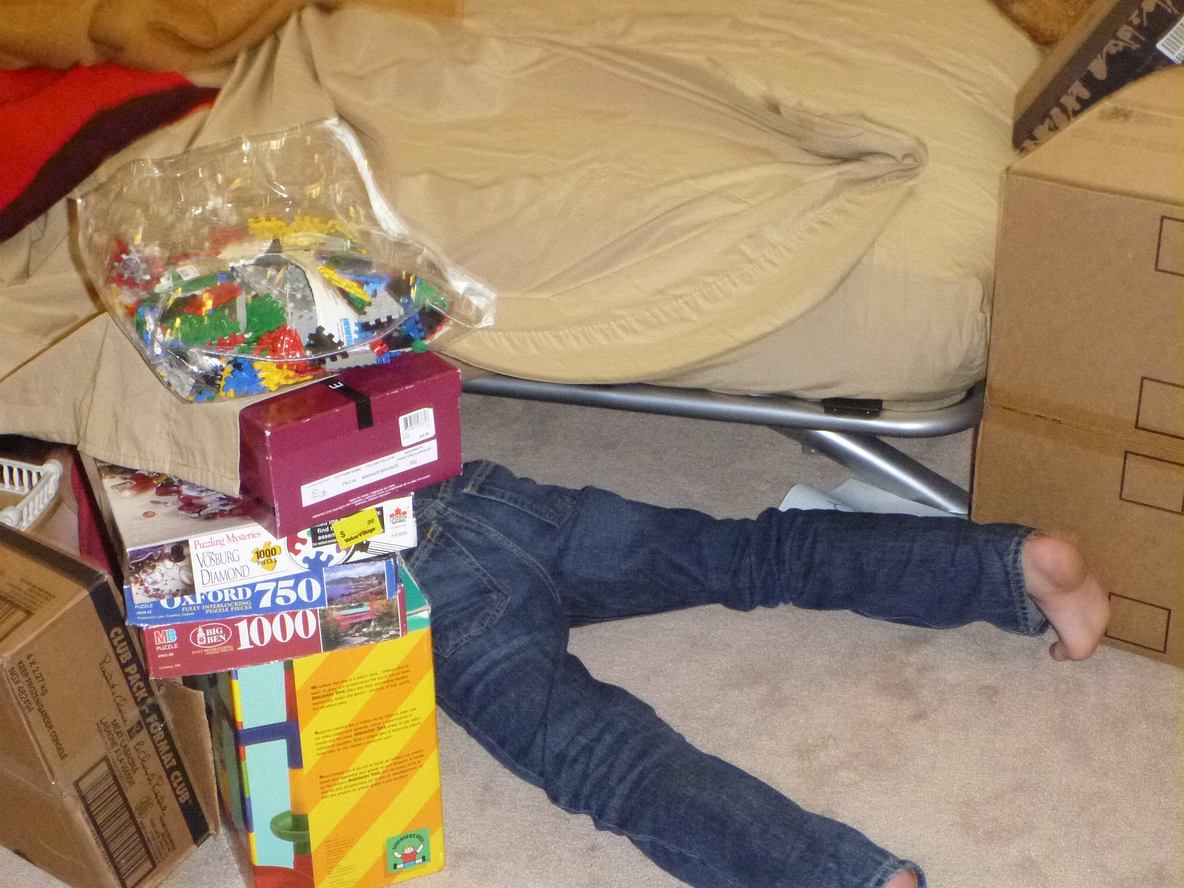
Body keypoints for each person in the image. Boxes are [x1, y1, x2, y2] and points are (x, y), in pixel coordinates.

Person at [405, 460, 1110, 888]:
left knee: (603, 757)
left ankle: (839, 880)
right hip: (466, 493)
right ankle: (1013, 564)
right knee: (750, 554)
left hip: (394, 569)